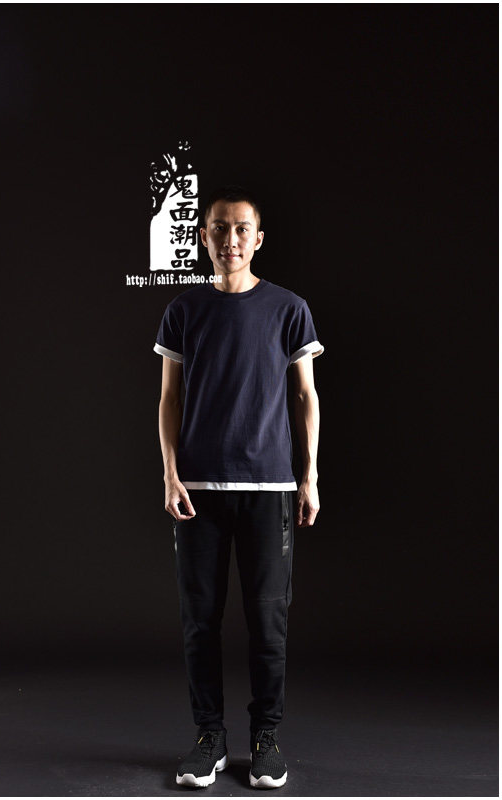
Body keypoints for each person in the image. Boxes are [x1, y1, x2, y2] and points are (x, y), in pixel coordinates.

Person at [153, 185, 324, 789]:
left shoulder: (288, 308)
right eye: (220, 228)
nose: (231, 239)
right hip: (197, 489)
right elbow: (169, 398)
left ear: (257, 238)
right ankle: (209, 738)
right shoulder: (183, 309)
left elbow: (305, 395)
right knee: (200, 621)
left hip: (270, 486)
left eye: (241, 229)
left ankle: (265, 737)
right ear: (204, 237)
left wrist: (309, 475)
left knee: (267, 621)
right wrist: (170, 472)